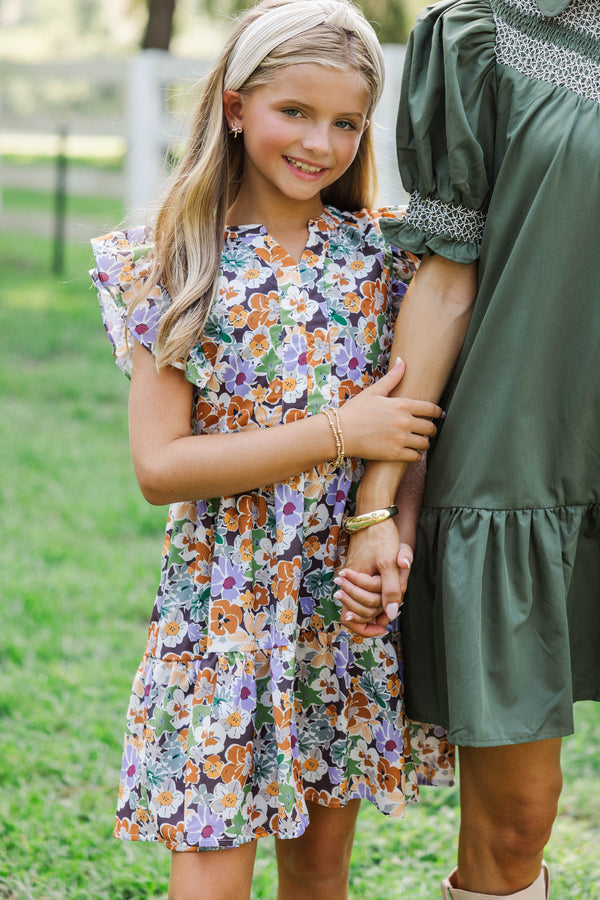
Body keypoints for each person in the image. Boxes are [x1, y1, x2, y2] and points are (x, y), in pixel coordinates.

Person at [90, 2, 456, 898]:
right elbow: (160, 467)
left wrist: (390, 533)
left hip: (341, 613)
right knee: (210, 878)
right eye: (295, 112)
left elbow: (407, 436)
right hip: (221, 620)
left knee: (321, 873)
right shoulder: (176, 257)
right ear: (236, 106)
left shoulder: (382, 258)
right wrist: (337, 433)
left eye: (345, 122)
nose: (320, 143)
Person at [335, 0, 600, 897]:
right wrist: (378, 502)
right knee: (518, 822)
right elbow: (446, 280)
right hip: (522, 460)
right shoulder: (488, 34)